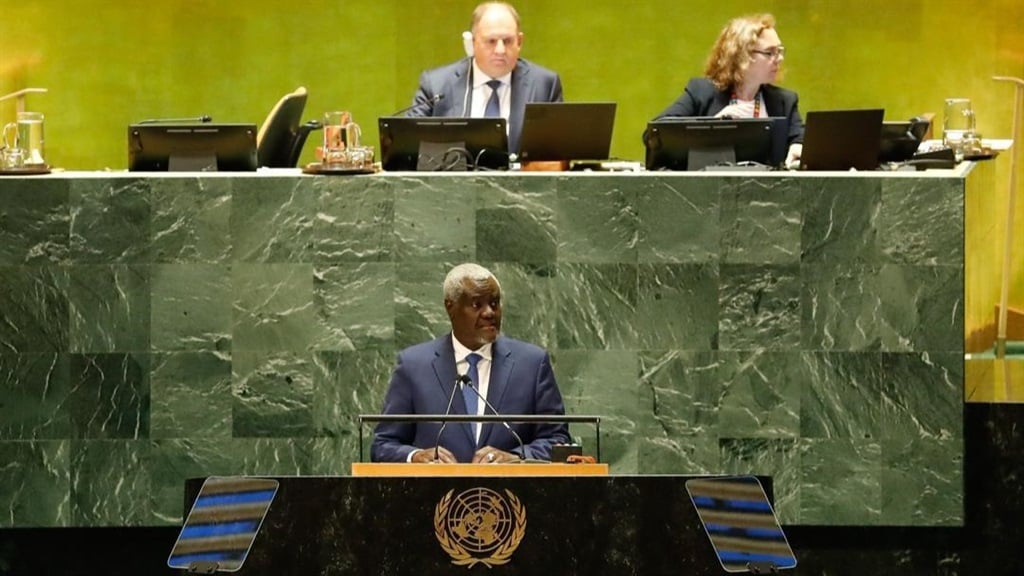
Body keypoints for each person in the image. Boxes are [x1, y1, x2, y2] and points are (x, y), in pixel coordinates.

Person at [371, 263, 570, 464]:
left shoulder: (532, 364)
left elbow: (558, 441)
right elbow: (383, 445)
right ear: (451, 307)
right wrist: (415, 456)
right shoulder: (414, 366)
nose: (489, 312)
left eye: (494, 303)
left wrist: (517, 457)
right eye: (477, 304)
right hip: (434, 493)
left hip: (511, 493)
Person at [405, 2, 564, 155]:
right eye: (491, 41)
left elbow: (559, 152)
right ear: (472, 42)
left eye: (508, 41)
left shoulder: (544, 85)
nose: (500, 50)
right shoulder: (437, 85)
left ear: (519, 42)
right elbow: (408, 143)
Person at [651, 14, 804, 167]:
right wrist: (712, 126)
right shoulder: (701, 92)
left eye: (779, 51)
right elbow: (657, 131)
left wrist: (798, 146)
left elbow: (800, 137)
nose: (779, 58)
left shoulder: (784, 100)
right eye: (769, 52)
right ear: (741, 56)